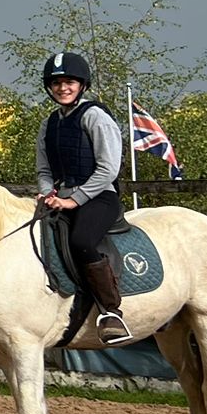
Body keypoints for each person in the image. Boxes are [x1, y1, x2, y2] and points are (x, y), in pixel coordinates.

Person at [36, 51, 132, 345]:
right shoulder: (49, 124)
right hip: (60, 198)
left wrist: (74, 200)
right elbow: (43, 168)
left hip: (99, 197)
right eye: (56, 83)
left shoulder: (96, 117)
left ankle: (111, 312)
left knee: (81, 241)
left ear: (82, 85)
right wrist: (48, 190)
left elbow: (108, 168)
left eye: (69, 82)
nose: (62, 88)